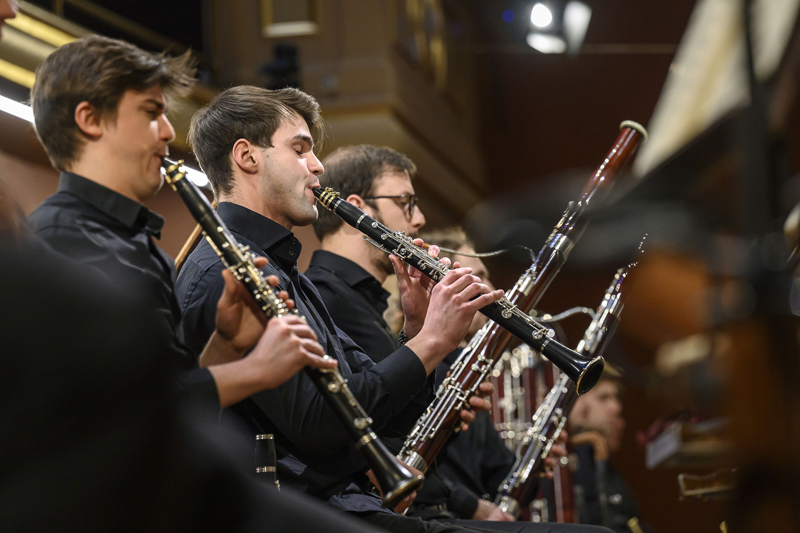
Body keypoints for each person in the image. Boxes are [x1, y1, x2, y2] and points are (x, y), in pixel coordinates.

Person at [178, 85, 594, 533]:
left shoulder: (284, 267)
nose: (317, 166)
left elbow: (386, 425)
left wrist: (416, 333)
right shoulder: (226, 272)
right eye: (299, 150)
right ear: (247, 157)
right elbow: (319, 426)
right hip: (310, 514)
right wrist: (433, 342)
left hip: (350, 505)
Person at [27, 35, 336, 411]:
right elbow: (118, 413)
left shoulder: (133, 241)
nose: (168, 131)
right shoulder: (58, 241)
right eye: (150, 112)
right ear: (90, 120)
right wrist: (254, 369)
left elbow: (174, 398)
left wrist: (227, 345)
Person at [568, 368, 652, 533]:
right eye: (603, 397)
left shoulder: (608, 471)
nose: (616, 408)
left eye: (616, 398)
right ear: (574, 402)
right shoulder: (559, 468)